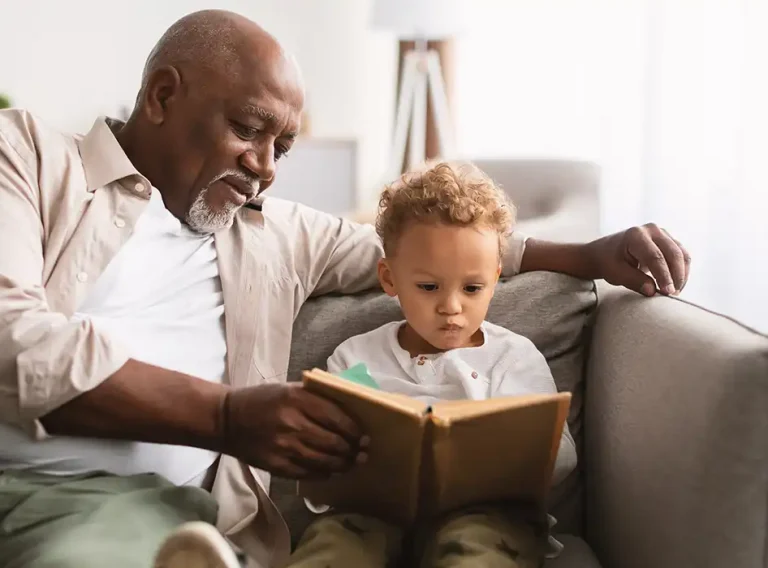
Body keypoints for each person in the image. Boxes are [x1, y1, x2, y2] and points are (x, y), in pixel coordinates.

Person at [0, 9, 690, 568]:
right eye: (247, 129)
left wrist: (588, 253)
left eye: (283, 148)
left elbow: (420, 251)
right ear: (162, 95)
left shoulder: (274, 233)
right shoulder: (28, 157)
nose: (265, 168)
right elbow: (14, 341)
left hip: (165, 513)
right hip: (25, 484)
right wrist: (228, 417)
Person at [287, 161, 576, 568]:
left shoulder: (512, 357)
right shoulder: (354, 358)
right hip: (373, 515)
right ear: (389, 278)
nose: (451, 307)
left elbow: (561, 457)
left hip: (486, 514)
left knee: (476, 552)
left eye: (473, 288)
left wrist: (508, 452)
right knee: (336, 545)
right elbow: (325, 462)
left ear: (495, 280)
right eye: (428, 287)